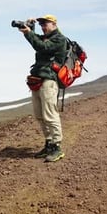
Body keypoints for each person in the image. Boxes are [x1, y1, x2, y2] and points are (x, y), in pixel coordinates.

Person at [19, 14, 67, 162]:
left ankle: (57, 147)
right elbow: (38, 42)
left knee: (50, 115)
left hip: (49, 81)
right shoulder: (46, 38)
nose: (43, 26)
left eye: (45, 24)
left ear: (54, 24)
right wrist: (30, 29)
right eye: (41, 25)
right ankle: (49, 144)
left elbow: (42, 46)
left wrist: (29, 33)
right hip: (38, 80)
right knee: (39, 115)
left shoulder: (60, 39)